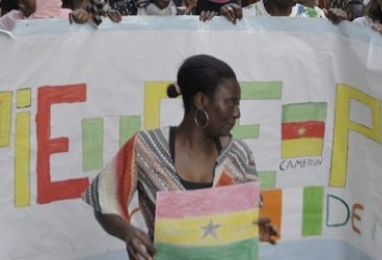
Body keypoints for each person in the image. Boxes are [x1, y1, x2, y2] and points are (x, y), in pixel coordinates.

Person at [83, 54, 279, 258]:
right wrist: (129, 233)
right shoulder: (145, 148)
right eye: (231, 103)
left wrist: (254, 229)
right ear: (201, 101)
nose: (237, 113)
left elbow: (243, 219)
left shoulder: (239, 155)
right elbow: (103, 201)